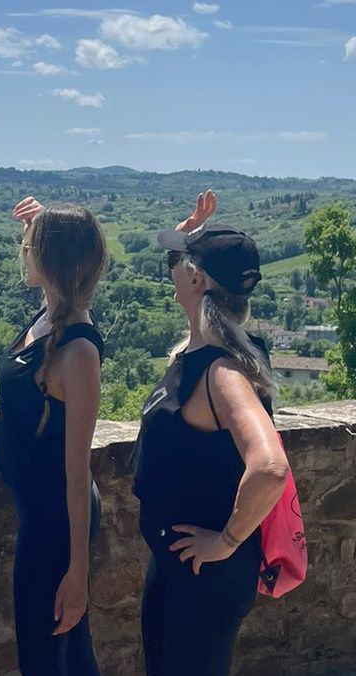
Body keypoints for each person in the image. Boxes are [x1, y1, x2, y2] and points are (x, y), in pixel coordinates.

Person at [132, 191, 290, 676]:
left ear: (196, 279)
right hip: (185, 570)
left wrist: (225, 541)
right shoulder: (231, 352)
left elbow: (270, 467)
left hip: (204, 575)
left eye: (182, 263)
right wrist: (190, 229)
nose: (173, 268)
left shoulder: (221, 372)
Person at [0, 197, 108, 676]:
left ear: (52, 260)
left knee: (44, 654)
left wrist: (77, 573)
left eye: (32, 246)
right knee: (69, 654)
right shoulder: (51, 318)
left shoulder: (78, 350)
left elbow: (77, 470)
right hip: (41, 507)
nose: (24, 252)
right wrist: (41, 222)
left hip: (56, 521)